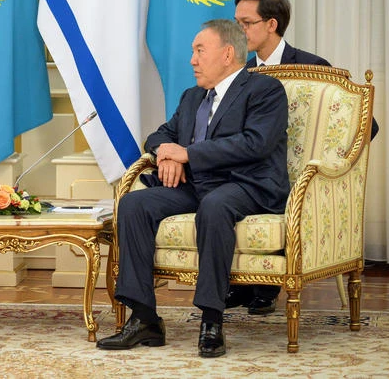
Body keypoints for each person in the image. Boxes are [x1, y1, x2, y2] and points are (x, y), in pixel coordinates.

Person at [96, 19, 289, 357]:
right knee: (133, 205)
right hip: (195, 184)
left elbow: (255, 143)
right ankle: (144, 319)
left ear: (227, 54)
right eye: (193, 52)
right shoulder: (192, 97)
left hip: (245, 184)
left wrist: (188, 154)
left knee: (215, 206)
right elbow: (160, 135)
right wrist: (166, 153)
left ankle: (211, 321)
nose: (192, 60)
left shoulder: (264, 90)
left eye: (200, 51)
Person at [230, 0, 379, 314]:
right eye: (236, 23)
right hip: (253, 173)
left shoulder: (314, 67)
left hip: (305, 178)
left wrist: (329, 162)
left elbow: (367, 125)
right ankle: (238, 284)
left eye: (246, 23)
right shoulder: (239, 73)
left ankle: (264, 289)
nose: (238, 31)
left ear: (271, 24)